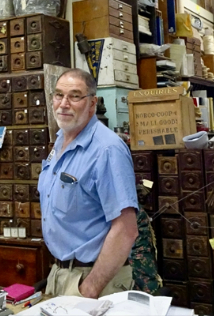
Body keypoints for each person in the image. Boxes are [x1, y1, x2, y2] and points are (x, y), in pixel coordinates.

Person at [38, 69, 139, 298]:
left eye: (74, 96)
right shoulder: (62, 140)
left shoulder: (107, 149)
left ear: (92, 103)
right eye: (58, 95)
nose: (63, 104)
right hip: (62, 274)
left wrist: (90, 288)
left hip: (94, 280)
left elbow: (126, 230)